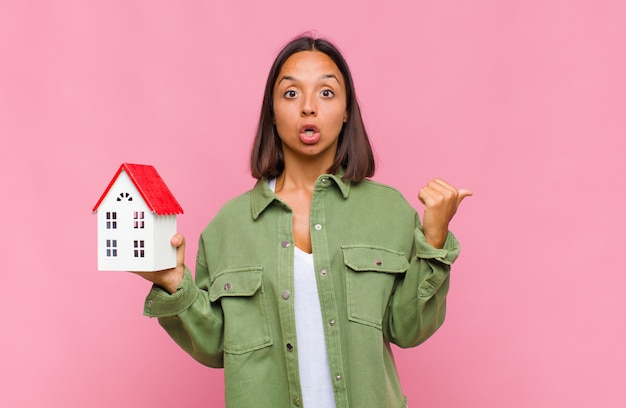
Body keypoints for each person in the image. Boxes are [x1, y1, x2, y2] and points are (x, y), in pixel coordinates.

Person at [136, 34, 471, 408]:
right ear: (272, 111)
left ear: (346, 111)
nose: (308, 107)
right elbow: (216, 347)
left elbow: (408, 329)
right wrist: (173, 284)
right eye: (291, 94)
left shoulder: (389, 211)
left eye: (326, 93)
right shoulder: (228, 226)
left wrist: (434, 238)